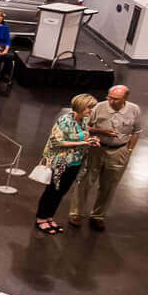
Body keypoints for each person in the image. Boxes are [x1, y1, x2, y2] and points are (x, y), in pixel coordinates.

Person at [67, 85, 142, 230]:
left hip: (119, 151)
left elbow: (136, 131)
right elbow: (83, 126)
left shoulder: (134, 109)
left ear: (125, 98)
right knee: (85, 181)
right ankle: (75, 213)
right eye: (110, 98)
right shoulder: (99, 107)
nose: (112, 101)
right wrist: (102, 132)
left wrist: (129, 150)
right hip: (96, 149)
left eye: (116, 99)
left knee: (109, 186)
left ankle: (98, 215)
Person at [32, 94, 99, 235]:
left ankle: (49, 217)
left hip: (76, 161)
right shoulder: (65, 120)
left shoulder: (84, 120)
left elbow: (83, 135)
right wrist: (83, 143)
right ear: (80, 106)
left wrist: (91, 140)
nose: (91, 110)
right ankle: (41, 219)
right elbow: (56, 142)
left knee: (62, 192)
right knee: (52, 191)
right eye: (89, 107)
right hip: (60, 161)